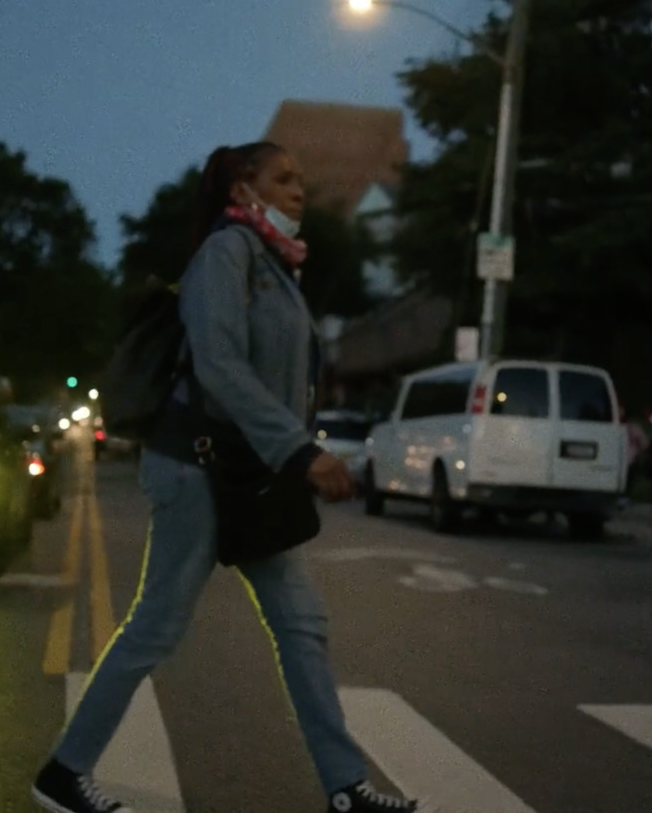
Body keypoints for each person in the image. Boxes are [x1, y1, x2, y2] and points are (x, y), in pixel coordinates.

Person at [32, 142, 432, 813]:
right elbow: (219, 367)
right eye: (283, 178)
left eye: (301, 177)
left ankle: (346, 789)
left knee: (302, 624)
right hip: (198, 465)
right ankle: (63, 773)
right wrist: (302, 451)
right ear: (244, 189)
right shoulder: (226, 255)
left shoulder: (275, 264)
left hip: (249, 475)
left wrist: (287, 452)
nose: (299, 189)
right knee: (156, 626)